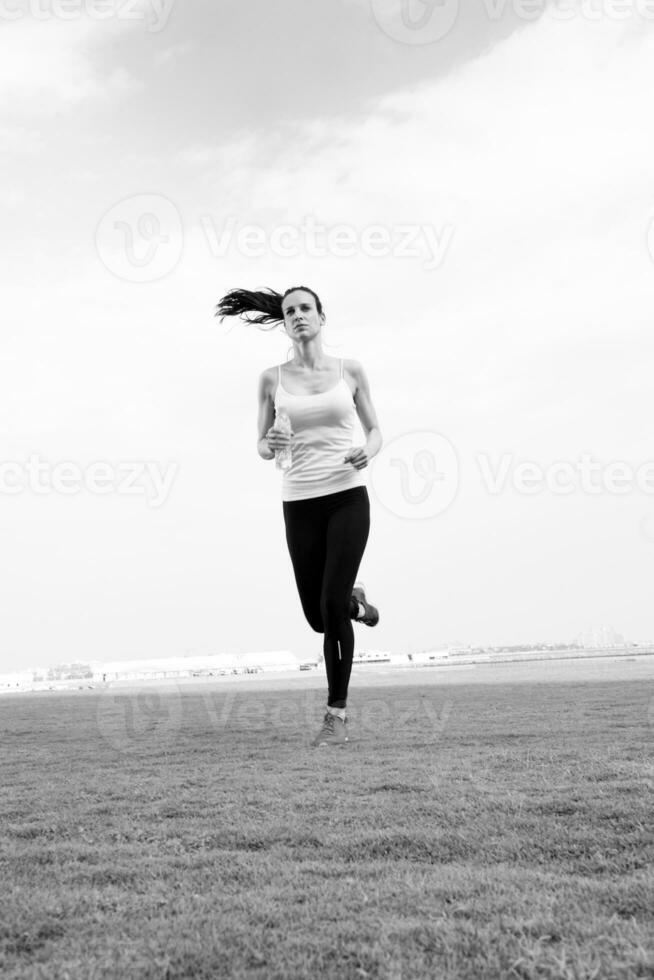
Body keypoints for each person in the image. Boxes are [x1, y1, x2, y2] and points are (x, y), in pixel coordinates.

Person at [215, 285, 383, 746]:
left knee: (329, 608)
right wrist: (270, 443)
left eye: (305, 308)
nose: (297, 315)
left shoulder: (350, 371)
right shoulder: (271, 379)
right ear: (284, 323)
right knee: (319, 617)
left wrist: (365, 452)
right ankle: (357, 603)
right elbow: (261, 446)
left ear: (321, 317)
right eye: (289, 311)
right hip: (299, 501)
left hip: (348, 496)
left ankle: (337, 715)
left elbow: (375, 432)